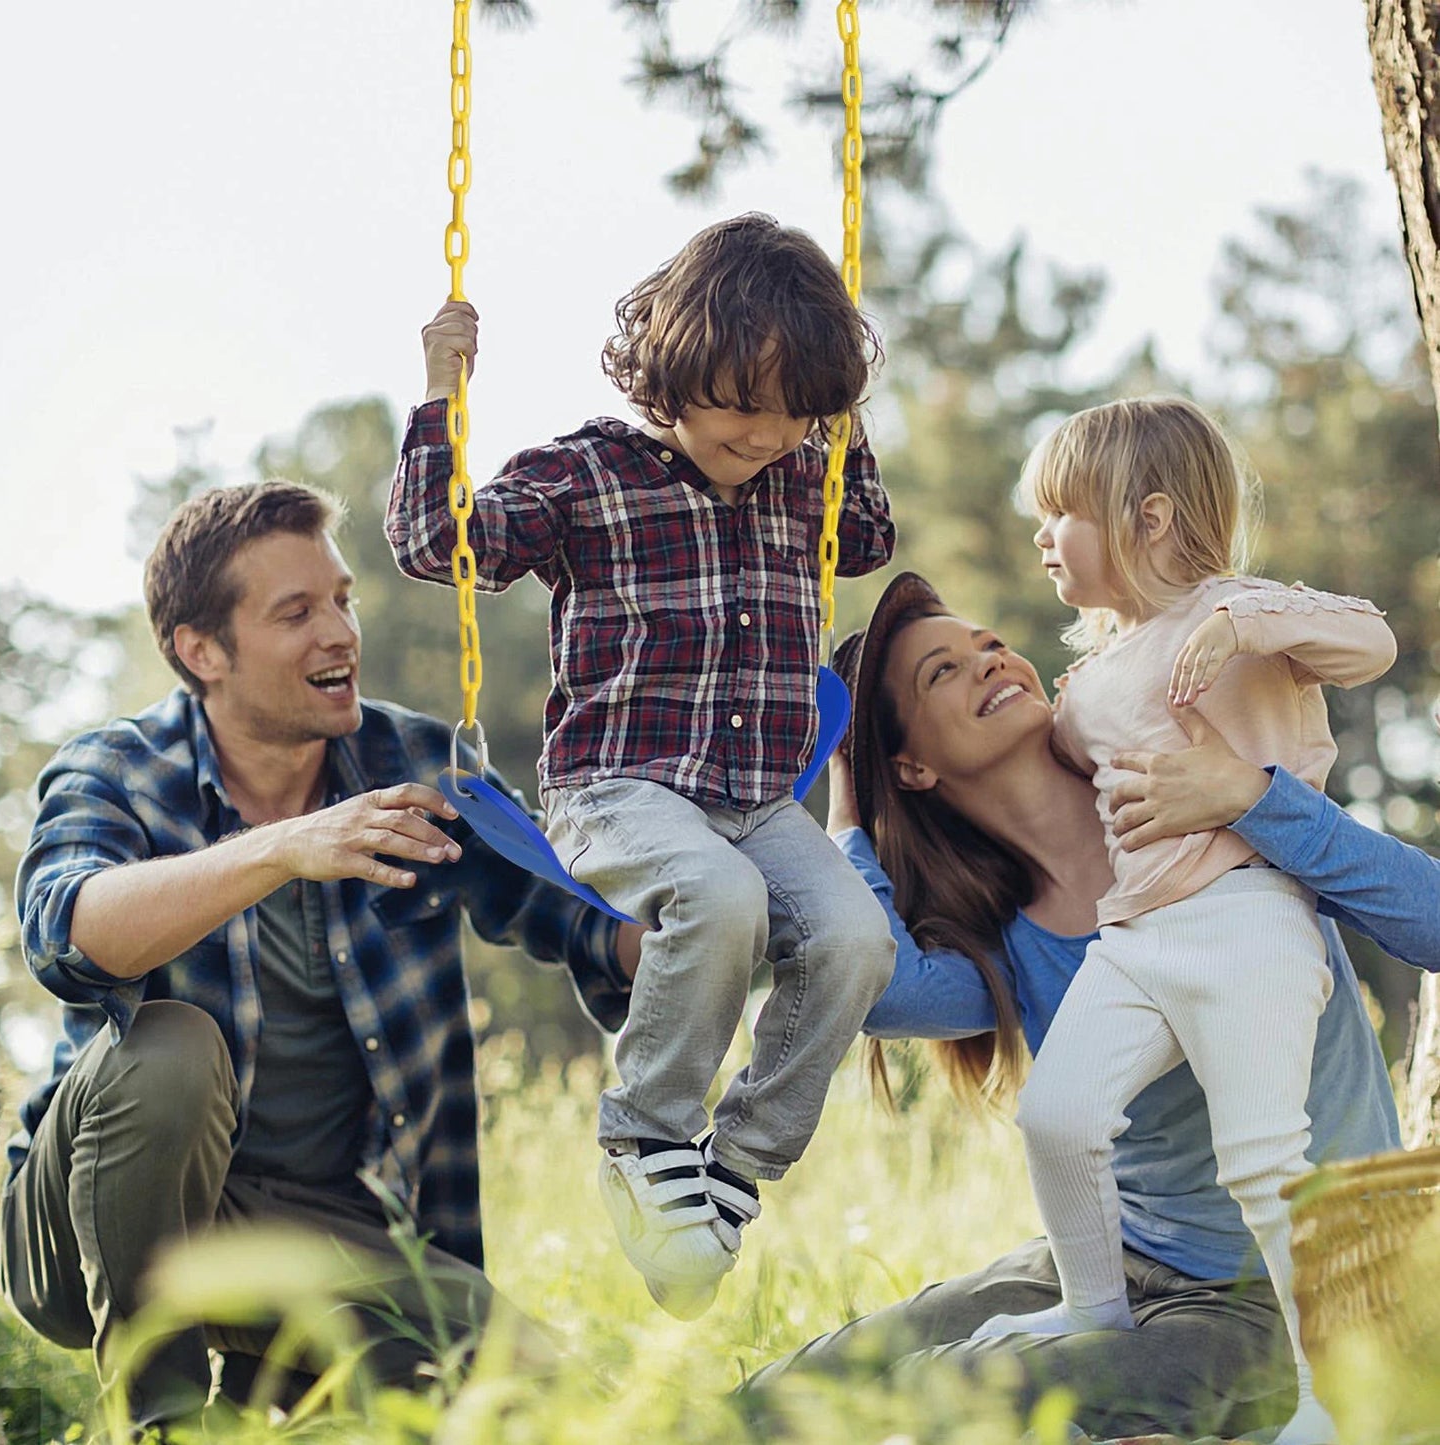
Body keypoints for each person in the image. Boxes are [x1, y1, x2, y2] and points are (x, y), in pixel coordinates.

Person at [725, 566, 1429, 1441]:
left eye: (987, 644)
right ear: (910, 765)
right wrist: (848, 794)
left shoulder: (1207, 816)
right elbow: (880, 986)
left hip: (1282, 1304)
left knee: (939, 1398)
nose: (990, 661)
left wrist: (1256, 798)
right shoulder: (1007, 940)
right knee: (800, 1387)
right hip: (1105, 1274)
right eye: (942, 671)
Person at [0, 480, 637, 1431]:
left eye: (341, 599)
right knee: (166, 1048)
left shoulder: (418, 766)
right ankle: (159, 1419)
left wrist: (728, 917)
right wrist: (279, 849)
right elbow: (65, 933)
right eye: (296, 612)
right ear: (201, 651)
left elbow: (587, 923)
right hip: (92, 1217)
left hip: (327, 1229)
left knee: (556, 1402)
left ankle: (283, 1390)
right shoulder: (117, 769)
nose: (339, 632)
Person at [385, 212, 898, 1319]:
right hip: (617, 788)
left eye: (794, 408)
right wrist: (441, 393)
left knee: (857, 936)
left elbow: (865, 539)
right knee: (718, 900)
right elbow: (442, 542)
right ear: (671, 367)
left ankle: (734, 1165)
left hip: (755, 799)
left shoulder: (805, 472)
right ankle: (644, 1136)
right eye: (742, 402)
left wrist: (840, 411)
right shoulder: (585, 473)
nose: (767, 434)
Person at [960, 398, 1396, 1443]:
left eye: (1060, 512)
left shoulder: (1236, 614)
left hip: (1251, 923)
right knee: (1055, 1118)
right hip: (1139, 936)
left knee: (1259, 1156)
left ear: (1147, 518)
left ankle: (1325, 1395)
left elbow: (1368, 639)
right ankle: (1090, 1308)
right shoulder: (1097, 670)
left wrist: (1248, 623)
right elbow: (1059, 748)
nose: (1039, 535)